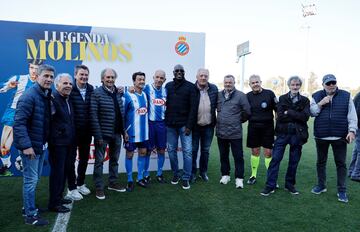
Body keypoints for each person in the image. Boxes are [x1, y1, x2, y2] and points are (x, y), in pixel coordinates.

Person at [13, 64, 54, 226]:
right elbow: (19, 123)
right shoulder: (29, 96)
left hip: (39, 145)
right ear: (37, 76)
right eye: (46, 76)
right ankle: (30, 215)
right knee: (30, 181)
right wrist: (26, 146)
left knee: (33, 180)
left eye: (51, 77)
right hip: (30, 146)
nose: (49, 79)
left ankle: (28, 207)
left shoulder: (44, 94)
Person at [310, 74, 357, 203]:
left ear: (336, 83)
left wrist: (352, 130)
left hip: (340, 136)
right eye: (328, 83)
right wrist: (321, 103)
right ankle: (321, 185)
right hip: (321, 135)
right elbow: (312, 112)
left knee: (341, 163)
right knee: (321, 162)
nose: (331, 85)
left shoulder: (346, 96)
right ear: (323, 84)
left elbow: (352, 115)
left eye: (333, 83)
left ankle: (342, 190)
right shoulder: (316, 95)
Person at [261, 76, 310, 196]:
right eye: (293, 85)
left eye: (297, 85)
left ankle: (290, 185)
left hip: (297, 135)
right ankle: (270, 185)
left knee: (294, 161)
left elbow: (305, 117)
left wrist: (290, 112)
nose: (295, 87)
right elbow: (280, 116)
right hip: (282, 133)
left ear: (300, 86)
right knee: (275, 159)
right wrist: (295, 114)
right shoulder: (282, 98)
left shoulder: (305, 100)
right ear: (289, 85)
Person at [0, 59, 43, 176]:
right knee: (4, 146)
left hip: (32, 117)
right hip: (13, 114)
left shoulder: (42, 83)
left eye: (37, 68)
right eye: (32, 68)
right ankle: (5, 166)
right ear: (29, 68)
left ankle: (23, 160)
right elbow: (1, 87)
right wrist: (8, 86)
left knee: (31, 142)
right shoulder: (19, 79)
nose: (34, 71)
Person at [91, 68, 126, 200]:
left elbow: (120, 113)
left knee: (114, 160)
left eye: (112, 77)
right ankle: (99, 187)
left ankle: (112, 182)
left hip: (117, 134)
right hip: (103, 135)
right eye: (108, 77)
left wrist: (124, 132)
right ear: (102, 79)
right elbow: (93, 116)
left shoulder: (118, 93)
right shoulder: (96, 93)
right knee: (99, 162)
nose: (110, 79)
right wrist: (98, 136)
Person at [165, 64, 197, 190]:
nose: (179, 72)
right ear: (173, 73)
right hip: (170, 126)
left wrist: (189, 125)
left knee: (188, 152)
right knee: (171, 151)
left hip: (185, 126)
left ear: (184, 72)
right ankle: (176, 174)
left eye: (181, 71)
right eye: (177, 71)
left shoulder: (190, 86)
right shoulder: (168, 86)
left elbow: (193, 108)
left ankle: (186, 177)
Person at [216, 74, 251, 189]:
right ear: (223, 83)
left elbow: (247, 112)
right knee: (223, 155)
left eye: (230, 82)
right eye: (226, 82)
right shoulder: (219, 95)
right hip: (221, 132)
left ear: (234, 83)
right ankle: (225, 175)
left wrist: (237, 121)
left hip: (235, 133)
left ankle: (239, 178)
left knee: (238, 156)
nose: (228, 84)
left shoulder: (241, 95)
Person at [48, 73, 75, 213]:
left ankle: (58, 198)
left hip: (68, 143)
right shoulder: (52, 99)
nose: (68, 86)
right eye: (65, 83)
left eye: (70, 84)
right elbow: (48, 121)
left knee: (63, 172)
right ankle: (54, 203)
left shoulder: (67, 99)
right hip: (58, 144)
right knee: (57, 174)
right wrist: (56, 135)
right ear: (57, 85)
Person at [67, 65, 94, 199]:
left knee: (84, 159)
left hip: (87, 131)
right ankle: (71, 188)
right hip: (72, 132)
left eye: (86, 75)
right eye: (81, 74)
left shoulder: (91, 89)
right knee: (71, 160)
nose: (84, 77)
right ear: (75, 75)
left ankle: (80, 183)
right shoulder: (69, 89)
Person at [246, 75, 277, 185]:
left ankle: (270, 177)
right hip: (253, 127)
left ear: (261, 82)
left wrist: (277, 128)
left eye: (257, 82)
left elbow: (277, 110)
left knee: (268, 153)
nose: (255, 84)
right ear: (249, 85)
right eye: (253, 83)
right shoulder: (247, 96)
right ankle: (253, 175)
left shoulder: (269, 94)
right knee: (255, 151)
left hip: (268, 127)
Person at [191, 68, 218, 183]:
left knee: (205, 151)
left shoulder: (214, 88)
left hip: (208, 126)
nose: (203, 78)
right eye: (201, 75)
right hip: (195, 126)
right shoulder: (191, 89)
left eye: (205, 76)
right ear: (197, 76)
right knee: (193, 150)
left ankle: (203, 172)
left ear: (208, 77)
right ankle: (192, 173)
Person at [123, 72, 149, 191]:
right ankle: (129, 180)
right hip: (131, 132)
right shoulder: (127, 95)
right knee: (129, 154)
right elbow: (122, 115)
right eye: (139, 79)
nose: (142, 81)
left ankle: (140, 178)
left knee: (143, 152)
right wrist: (124, 131)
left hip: (144, 132)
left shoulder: (145, 94)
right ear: (134, 81)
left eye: (143, 79)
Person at [142, 70, 167, 184]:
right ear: (153, 77)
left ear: (164, 80)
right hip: (150, 124)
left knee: (161, 150)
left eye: (161, 78)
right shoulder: (147, 88)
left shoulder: (166, 91)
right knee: (148, 150)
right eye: (157, 77)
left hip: (162, 124)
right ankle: (146, 173)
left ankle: (159, 173)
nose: (159, 80)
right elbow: (136, 92)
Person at [349, 91, 360, 182]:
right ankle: (356, 173)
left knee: (356, 150)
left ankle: (351, 171)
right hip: (358, 125)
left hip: (357, 125)